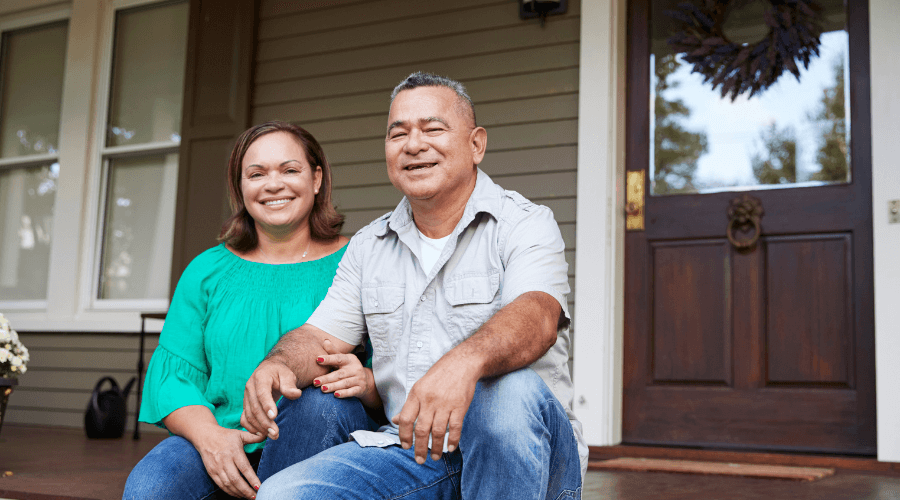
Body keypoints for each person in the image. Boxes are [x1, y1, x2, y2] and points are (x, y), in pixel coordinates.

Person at [242, 73, 587, 499]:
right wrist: (277, 364)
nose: (414, 144)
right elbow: (319, 338)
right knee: (284, 494)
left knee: (506, 391)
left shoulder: (525, 223)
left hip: (527, 460)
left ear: (476, 144)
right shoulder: (370, 245)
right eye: (398, 133)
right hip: (415, 455)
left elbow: (538, 314)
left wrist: (464, 363)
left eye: (433, 128)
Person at [123, 121, 380, 500]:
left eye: (290, 170)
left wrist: (368, 382)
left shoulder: (361, 260)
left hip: (325, 436)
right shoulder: (207, 271)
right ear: (240, 188)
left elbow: (397, 374)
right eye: (256, 174)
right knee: (150, 488)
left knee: (320, 405)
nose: (273, 184)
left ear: (317, 178)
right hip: (225, 434)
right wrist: (211, 438)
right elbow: (174, 380)